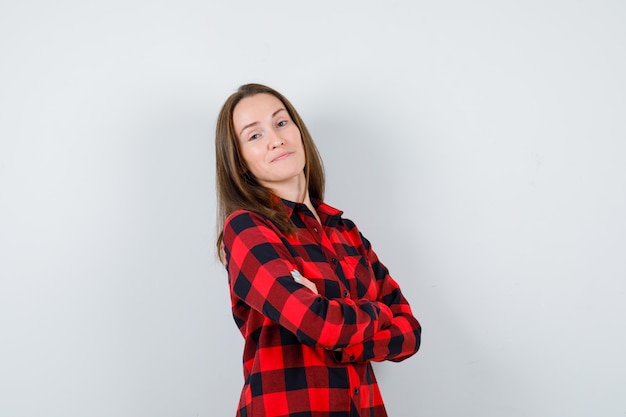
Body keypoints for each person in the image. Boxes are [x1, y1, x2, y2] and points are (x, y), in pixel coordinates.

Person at [215, 83, 421, 417]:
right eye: (254, 135)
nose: (275, 139)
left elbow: (410, 334)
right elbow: (316, 322)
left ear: (298, 131)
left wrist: (335, 323)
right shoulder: (247, 229)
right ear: (239, 162)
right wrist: (379, 313)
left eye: (281, 123)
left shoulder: (346, 232)